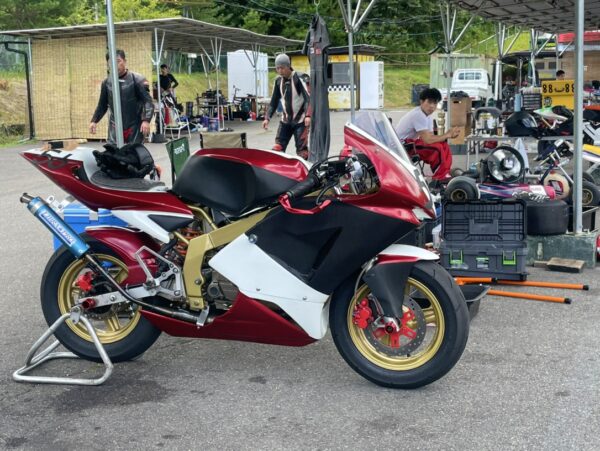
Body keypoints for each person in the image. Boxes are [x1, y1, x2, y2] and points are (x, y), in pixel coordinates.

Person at [395, 88, 460, 181]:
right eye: (429, 102)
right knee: (437, 148)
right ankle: (440, 178)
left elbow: (431, 137)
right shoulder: (418, 115)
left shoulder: (427, 115)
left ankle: (445, 173)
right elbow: (428, 140)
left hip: (410, 144)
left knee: (443, 145)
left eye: (435, 103)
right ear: (421, 102)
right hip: (401, 147)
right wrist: (446, 135)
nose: (432, 106)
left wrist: (448, 135)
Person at [89, 49, 154, 145]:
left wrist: (146, 120)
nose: (115, 65)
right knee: (113, 151)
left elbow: (148, 101)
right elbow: (102, 105)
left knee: (134, 152)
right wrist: (94, 121)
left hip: (134, 125)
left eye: (118, 61)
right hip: (114, 125)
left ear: (125, 61)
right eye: (111, 62)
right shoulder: (106, 83)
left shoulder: (137, 79)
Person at [262, 54, 311, 160]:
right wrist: (267, 118)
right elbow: (274, 101)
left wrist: (308, 115)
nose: (280, 71)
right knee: (277, 149)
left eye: (282, 68)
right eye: (277, 68)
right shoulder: (278, 81)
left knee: (302, 152)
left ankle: (305, 169)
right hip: (285, 120)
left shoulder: (300, 78)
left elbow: (308, 98)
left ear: (288, 66)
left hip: (301, 121)